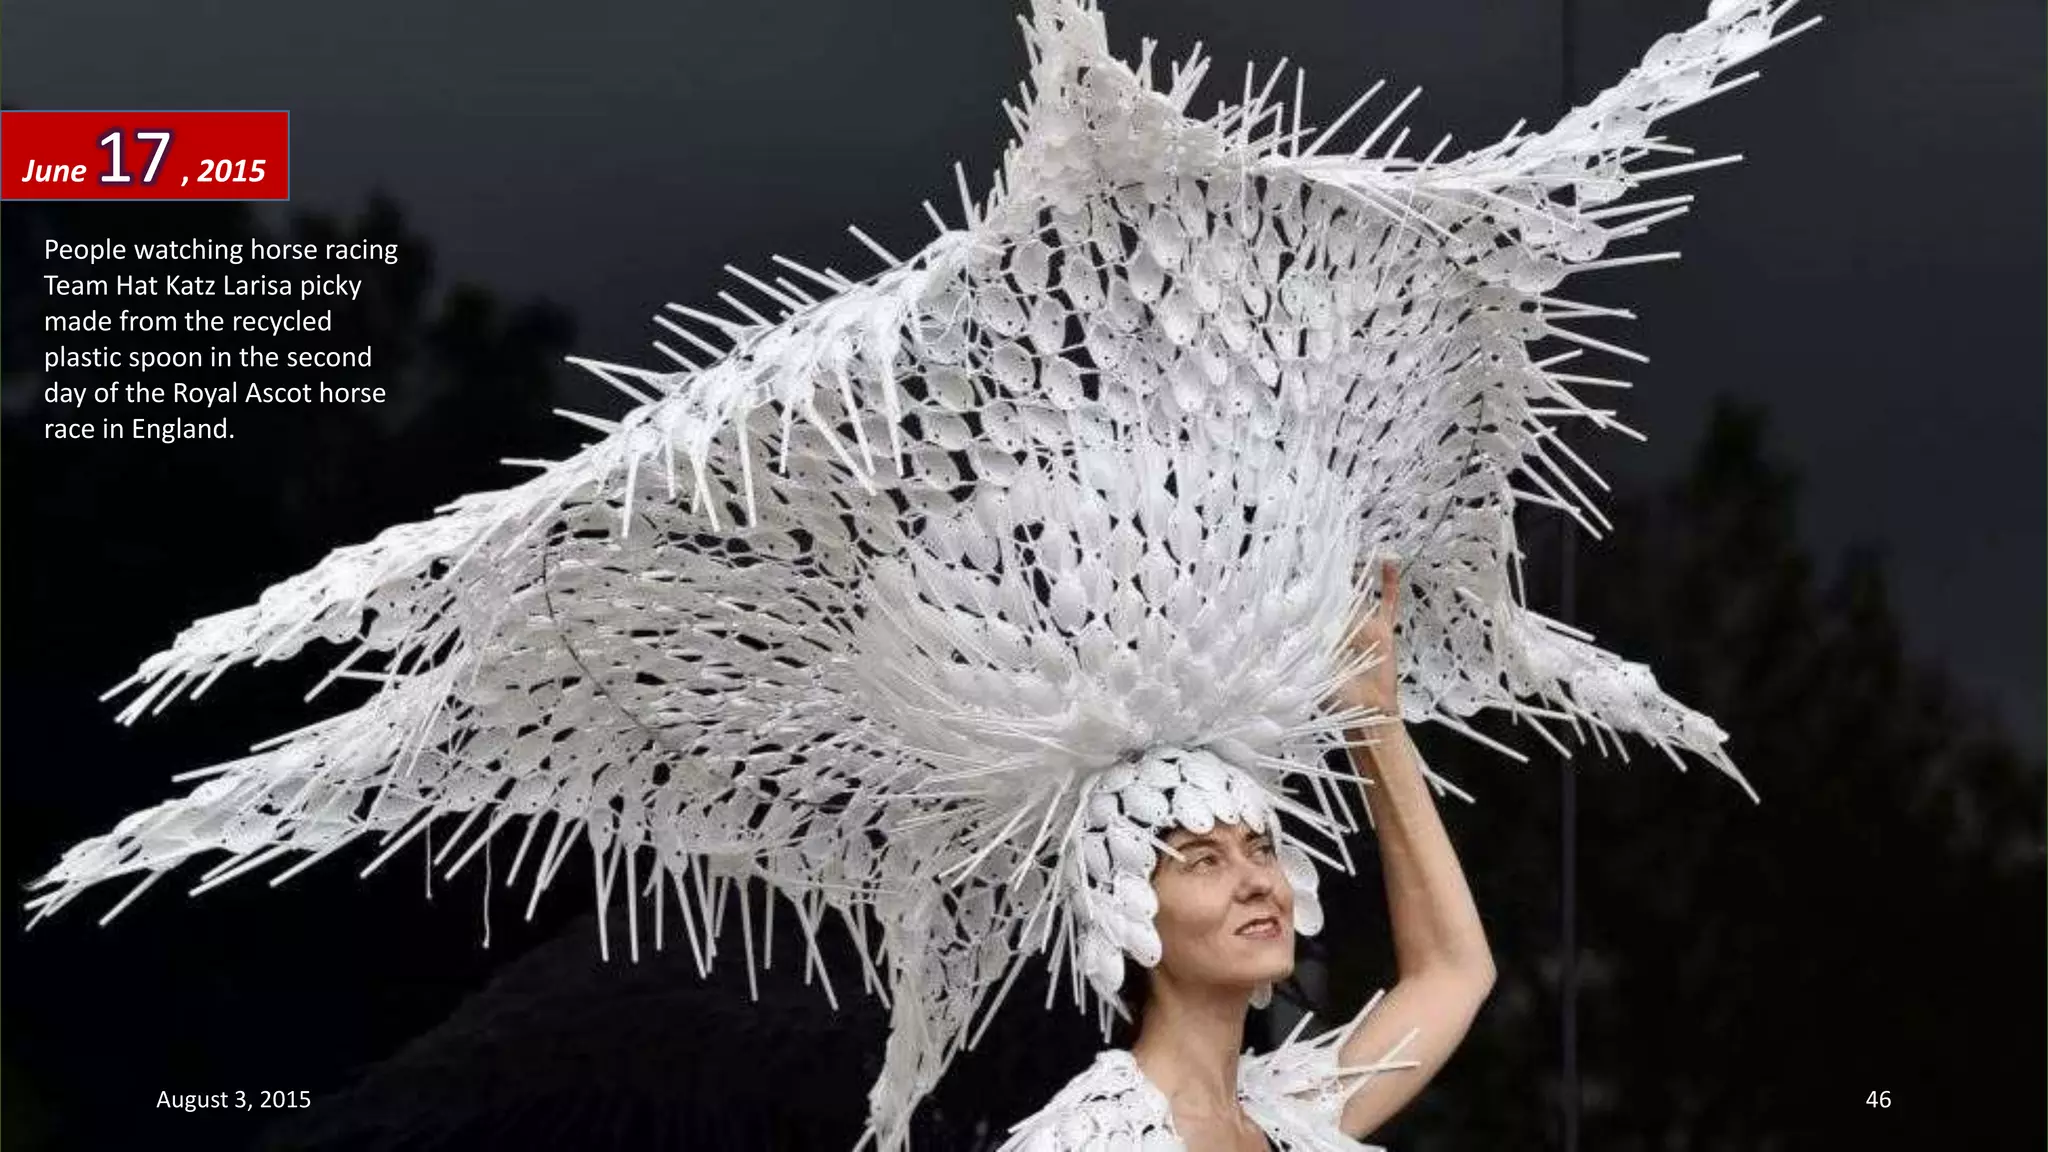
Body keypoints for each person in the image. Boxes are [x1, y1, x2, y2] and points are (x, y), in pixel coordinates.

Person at [1000, 561, 1495, 1151]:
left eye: (1261, 849)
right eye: (1203, 859)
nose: (1258, 881)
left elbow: (1454, 970)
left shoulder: (1290, 1117)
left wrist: (1373, 718)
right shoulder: (1088, 1140)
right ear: (1128, 914)